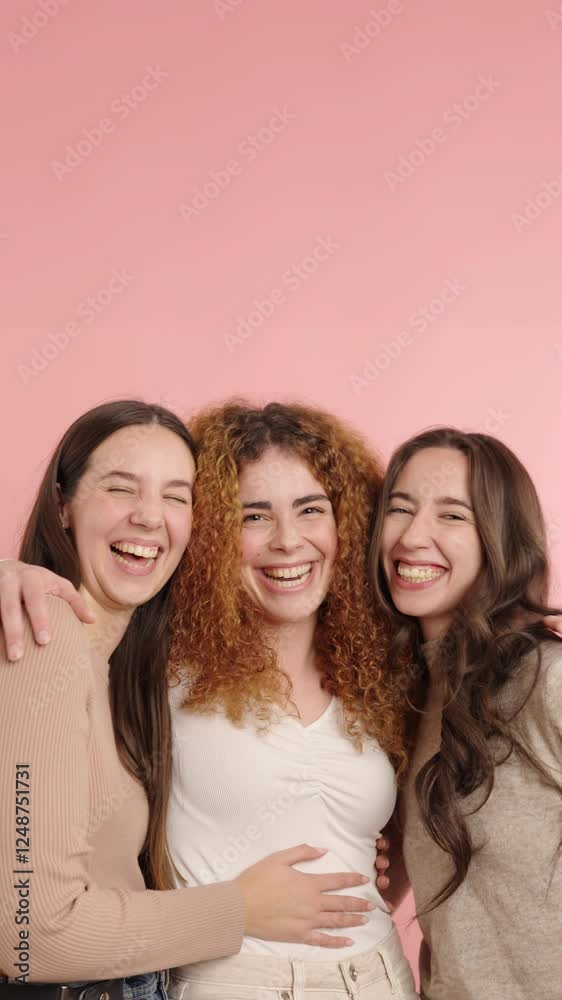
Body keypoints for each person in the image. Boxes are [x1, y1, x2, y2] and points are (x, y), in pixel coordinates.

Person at [0, 400, 418, 1000]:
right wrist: (9, 572)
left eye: (311, 509)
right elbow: (31, 927)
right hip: (225, 981)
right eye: (254, 515)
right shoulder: (135, 652)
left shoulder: (380, 667)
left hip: (378, 977)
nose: (287, 540)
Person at [370, 427, 562, 1000]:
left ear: (499, 541)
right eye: (399, 509)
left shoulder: (544, 679)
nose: (413, 536)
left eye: (452, 515)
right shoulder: (411, 698)